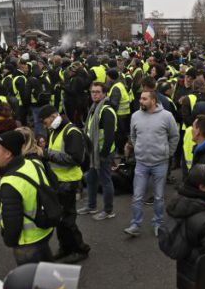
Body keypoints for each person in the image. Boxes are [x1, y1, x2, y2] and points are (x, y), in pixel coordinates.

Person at [0, 130, 56, 265]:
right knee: (47, 274)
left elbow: (12, 221)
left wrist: (10, 241)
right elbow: (53, 183)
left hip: (27, 242)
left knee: (32, 281)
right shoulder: (33, 163)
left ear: (8, 153)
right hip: (44, 230)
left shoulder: (10, 182)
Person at [124, 90, 179, 237]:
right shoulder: (135, 116)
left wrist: (168, 153)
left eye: (144, 99)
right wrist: (138, 150)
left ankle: (157, 223)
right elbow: (134, 136)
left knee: (159, 196)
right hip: (141, 163)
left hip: (160, 163)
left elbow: (174, 136)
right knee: (137, 196)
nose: (140, 101)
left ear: (153, 100)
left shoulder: (166, 116)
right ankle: (135, 224)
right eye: (140, 98)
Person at [39, 105, 91, 263]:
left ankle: (80, 248)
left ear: (54, 116)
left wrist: (47, 153)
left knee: (67, 219)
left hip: (68, 182)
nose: (43, 124)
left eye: (44, 121)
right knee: (59, 218)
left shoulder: (71, 132)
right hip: (58, 181)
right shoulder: (55, 130)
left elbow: (75, 159)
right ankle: (65, 247)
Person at [79, 82, 117, 220]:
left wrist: (103, 154)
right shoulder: (94, 108)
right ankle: (91, 205)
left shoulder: (106, 110)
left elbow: (109, 136)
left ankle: (108, 211)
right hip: (93, 152)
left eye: (97, 92)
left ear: (105, 94)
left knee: (105, 181)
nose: (94, 94)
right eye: (92, 92)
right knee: (91, 178)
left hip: (102, 153)